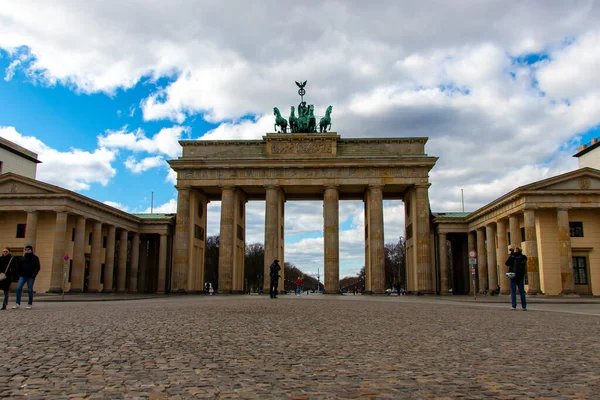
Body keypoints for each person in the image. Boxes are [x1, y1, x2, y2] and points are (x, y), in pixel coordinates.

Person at [12, 245, 40, 309]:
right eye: (26, 249)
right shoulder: (22, 258)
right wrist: (19, 274)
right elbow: (18, 267)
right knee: (18, 288)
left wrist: (34, 275)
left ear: (31, 250)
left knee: (30, 290)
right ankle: (17, 303)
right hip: (22, 276)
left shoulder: (35, 258)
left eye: (28, 249)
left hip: (30, 276)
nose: (27, 250)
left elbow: (37, 267)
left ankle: (29, 303)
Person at [505, 247, 527, 311]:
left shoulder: (513, 257)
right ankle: (524, 306)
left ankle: (514, 306)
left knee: (513, 292)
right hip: (520, 276)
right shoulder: (523, 257)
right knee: (522, 292)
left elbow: (507, 263)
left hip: (513, 276)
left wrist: (511, 255)